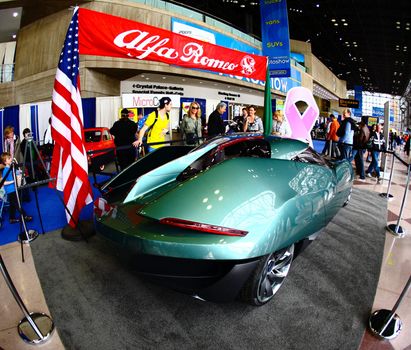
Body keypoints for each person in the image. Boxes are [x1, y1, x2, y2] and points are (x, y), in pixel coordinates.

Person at [1, 152, 32, 224]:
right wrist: (13, 181)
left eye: (10, 157)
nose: (11, 159)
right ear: (5, 162)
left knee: (12, 205)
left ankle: (11, 219)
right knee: (17, 204)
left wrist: (20, 171)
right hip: (10, 190)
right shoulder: (6, 170)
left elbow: (17, 172)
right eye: (9, 159)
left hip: (13, 189)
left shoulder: (11, 168)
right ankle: (25, 216)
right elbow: (4, 182)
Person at [352, 117, 370, 181]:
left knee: (360, 161)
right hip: (363, 147)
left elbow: (360, 139)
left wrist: (356, 138)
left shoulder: (362, 129)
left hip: (360, 146)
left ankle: (362, 176)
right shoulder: (367, 129)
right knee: (358, 160)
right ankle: (359, 173)